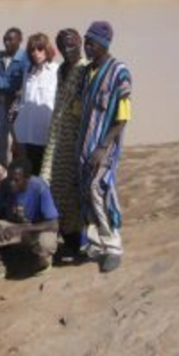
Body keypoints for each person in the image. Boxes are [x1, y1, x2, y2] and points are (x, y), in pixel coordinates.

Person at [76, 21, 132, 273]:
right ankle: (96, 241)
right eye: (86, 42)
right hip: (84, 146)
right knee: (85, 192)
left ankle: (113, 246)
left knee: (99, 189)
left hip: (104, 147)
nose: (87, 47)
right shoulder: (87, 72)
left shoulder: (119, 72)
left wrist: (102, 147)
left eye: (91, 43)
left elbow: (122, 118)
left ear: (104, 44)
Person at [0, 158, 59, 287]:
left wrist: (23, 229)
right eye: (10, 179)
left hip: (35, 229)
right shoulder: (5, 184)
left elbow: (53, 224)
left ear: (27, 178)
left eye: (16, 180)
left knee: (46, 242)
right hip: (11, 227)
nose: (12, 183)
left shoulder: (40, 187)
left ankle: (43, 263)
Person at [40, 29, 88, 260]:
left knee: (75, 191)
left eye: (71, 44)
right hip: (57, 137)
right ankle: (64, 238)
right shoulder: (61, 69)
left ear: (79, 42)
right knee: (52, 185)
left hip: (77, 139)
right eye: (63, 46)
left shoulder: (86, 69)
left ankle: (79, 243)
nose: (68, 50)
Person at [12, 33, 59, 175]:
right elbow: (23, 103)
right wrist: (16, 135)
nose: (36, 53)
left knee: (45, 178)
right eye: (32, 50)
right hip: (27, 136)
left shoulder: (57, 71)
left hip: (47, 136)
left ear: (47, 49)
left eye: (40, 49)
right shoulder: (28, 72)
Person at [0, 28, 29, 166]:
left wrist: (1, 83)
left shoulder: (26, 59)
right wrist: (9, 84)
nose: (7, 42)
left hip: (17, 107)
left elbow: (22, 83)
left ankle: (20, 173)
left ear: (20, 40)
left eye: (11, 39)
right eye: (5, 39)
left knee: (20, 143)